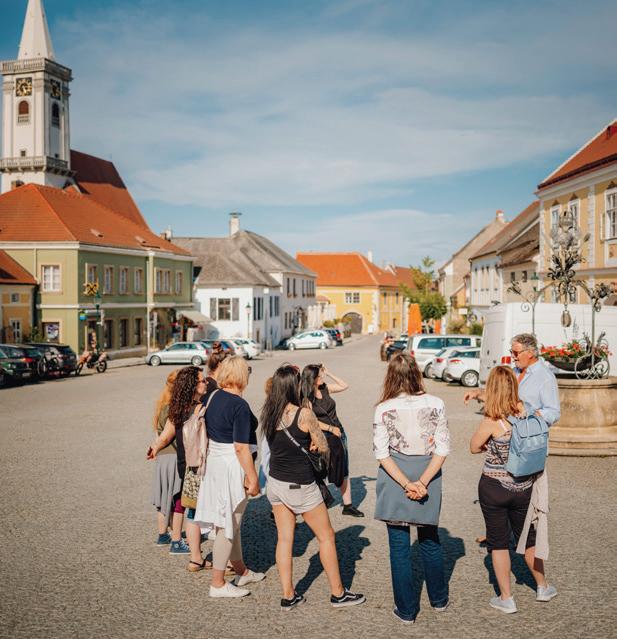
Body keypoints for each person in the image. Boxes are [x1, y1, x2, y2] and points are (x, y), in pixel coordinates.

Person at [262, 364, 366, 611]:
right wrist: (315, 443)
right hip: (301, 485)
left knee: (284, 539)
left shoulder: (269, 412)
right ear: (294, 386)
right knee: (326, 536)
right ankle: (338, 593)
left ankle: (288, 595)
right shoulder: (304, 414)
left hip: (276, 483)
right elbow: (323, 446)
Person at [470, 365, 557, 614]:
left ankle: (506, 598)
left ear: (491, 389)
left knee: (498, 543)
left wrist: (489, 445)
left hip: (494, 487)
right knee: (527, 539)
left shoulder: (490, 421)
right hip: (523, 487)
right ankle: (542, 587)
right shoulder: (525, 411)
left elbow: (473, 447)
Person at [373, 352, 450, 624]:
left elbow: (382, 453)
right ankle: (439, 599)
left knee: (399, 547)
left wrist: (407, 484)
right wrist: (423, 482)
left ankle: (406, 610)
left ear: (391, 376)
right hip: (428, 472)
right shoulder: (437, 403)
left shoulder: (383, 408)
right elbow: (442, 449)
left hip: (396, 477)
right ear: (417, 373)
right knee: (430, 539)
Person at [194, 356, 265, 598]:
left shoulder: (212, 397)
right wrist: (253, 477)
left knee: (231, 522)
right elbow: (241, 447)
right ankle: (217, 583)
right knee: (228, 524)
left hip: (214, 463)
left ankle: (241, 571)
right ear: (241, 376)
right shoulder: (239, 405)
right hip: (231, 466)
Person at [147, 366, 208, 569]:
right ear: (192, 385)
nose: (206, 383)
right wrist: (155, 447)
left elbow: (165, 435)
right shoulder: (199, 408)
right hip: (197, 466)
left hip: (187, 465)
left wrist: (155, 447)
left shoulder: (179, 408)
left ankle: (195, 556)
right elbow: (166, 436)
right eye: (202, 380)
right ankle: (196, 554)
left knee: (191, 509)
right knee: (194, 509)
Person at [300, 364, 363, 517]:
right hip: (321, 437)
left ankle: (348, 505)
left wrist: (329, 373)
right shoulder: (307, 398)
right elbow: (311, 420)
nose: (322, 377)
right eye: (319, 375)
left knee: (343, 468)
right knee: (319, 470)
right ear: (312, 379)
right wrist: (330, 428)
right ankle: (312, 504)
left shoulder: (325, 388)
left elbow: (344, 385)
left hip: (339, 434)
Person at [464, 333, 560, 426]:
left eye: (516, 353)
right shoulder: (513, 372)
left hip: (528, 434)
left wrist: (527, 413)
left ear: (530, 353)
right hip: (507, 431)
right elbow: (498, 397)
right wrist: (478, 393)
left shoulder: (545, 377)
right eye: (511, 352)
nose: (512, 356)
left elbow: (553, 413)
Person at [151, 370, 186, 549]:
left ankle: (162, 534)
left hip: (161, 458)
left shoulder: (161, 406)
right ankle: (176, 540)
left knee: (163, 496)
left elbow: (157, 435)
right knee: (178, 498)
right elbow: (170, 436)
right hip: (174, 456)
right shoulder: (175, 408)